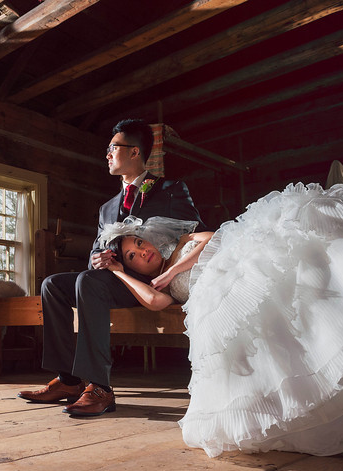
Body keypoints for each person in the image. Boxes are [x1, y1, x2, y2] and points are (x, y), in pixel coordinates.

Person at [101, 175, 343, 470]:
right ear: (133, 270)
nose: (142, 253)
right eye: (131, 257)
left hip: (243, 253)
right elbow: (155, 302)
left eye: (139, 244)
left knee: (312, 233)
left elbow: (211, 239)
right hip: (228, 290)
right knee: (278, 310)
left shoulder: (183, 242)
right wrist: (117, 272)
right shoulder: (162, 288)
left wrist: (172, 269)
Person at [18, 118, 204, 416]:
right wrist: (96, 259)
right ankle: (68, 381)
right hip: (110, 280)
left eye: (112, 148)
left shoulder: (170, 190)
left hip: (149, 282)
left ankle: (101, 387)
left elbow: (194, 233)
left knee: (88, 283)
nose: (106, 154)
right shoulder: (107, 207)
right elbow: (96, 249)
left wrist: (167, 271)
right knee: (52, 284)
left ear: (134, 152)